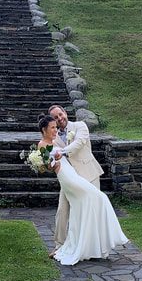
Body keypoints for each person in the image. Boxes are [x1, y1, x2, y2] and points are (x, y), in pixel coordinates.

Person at [37, 114, 128, 266]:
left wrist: (59, 156)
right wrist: (53, 164)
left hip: (73, 174)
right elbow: (48, 166)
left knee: (87, 206)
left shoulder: (61, 137)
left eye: (55, 127)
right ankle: (106, 239)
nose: (55, 130)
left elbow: (73, 147)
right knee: (100, 198)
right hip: (67, 177)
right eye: (52, 128)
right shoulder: (42, 144)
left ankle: (89, 246)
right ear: (44, 129)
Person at [48, 105, 104, 254]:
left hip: (89, 174)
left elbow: (78, 144)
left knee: (92, 211)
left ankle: (93, 248)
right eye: (55, 118)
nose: (60, 119)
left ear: (65, 113)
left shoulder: (80, 126)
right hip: (70, 179)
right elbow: (53, 158)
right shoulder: (55, 138)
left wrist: (62, 152)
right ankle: (59, 245)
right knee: (62, 210)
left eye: (61, 114)